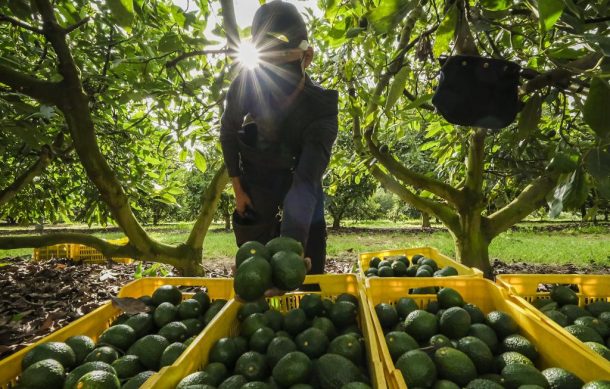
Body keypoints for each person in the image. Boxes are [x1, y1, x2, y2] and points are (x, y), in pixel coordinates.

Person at [220, 0, 338, 276]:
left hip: (302, 177)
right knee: (254, 268)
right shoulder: (247, 82)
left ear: (306, 57)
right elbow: (228, 131)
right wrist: (238, 189)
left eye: (281, 67)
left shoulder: (322, 108)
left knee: (306, 266)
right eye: (266, 67)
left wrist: (290, 250)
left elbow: (306, 181)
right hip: (258, 174)